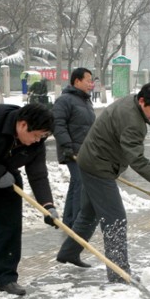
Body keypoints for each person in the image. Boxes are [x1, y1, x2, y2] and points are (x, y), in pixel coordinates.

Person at [56, 82, 150, 283]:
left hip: (91, 158)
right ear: (142, 101)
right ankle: (119, 272)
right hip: (98, 166)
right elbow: (137, 159)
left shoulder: (132, 104)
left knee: (89, 212)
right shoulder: (133, 122)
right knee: (115, 218)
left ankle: (69, 252)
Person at [0, 103, 59, 296]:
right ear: (22, 125)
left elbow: (38, 174)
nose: (37, 140)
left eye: (42, 137)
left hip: (8, 181)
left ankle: (6, 278)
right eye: (36, 135)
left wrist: (48, 206)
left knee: (9, 228)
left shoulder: (37, 142)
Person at [53, 67, 96, 228]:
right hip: (71, 150)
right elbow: (58, 124)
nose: (90, 84)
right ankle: (78, 221)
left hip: (84, 151)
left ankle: (69, 221)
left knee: (76, 184)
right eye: (88, 80)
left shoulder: (86, 100)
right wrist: (67, 145)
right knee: (81, 183)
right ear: (77, 81)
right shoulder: (65, 100)